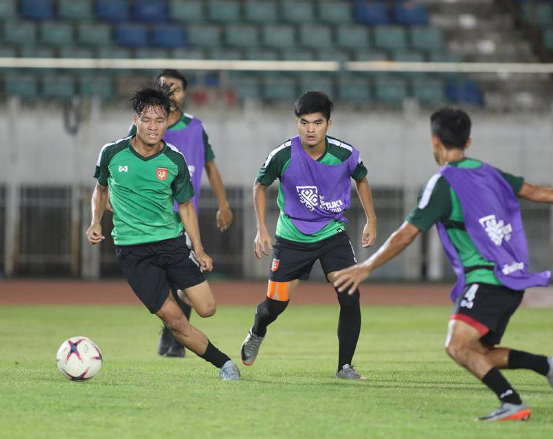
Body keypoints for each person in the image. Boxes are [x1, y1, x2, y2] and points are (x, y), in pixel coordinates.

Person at [334, 107, 553, 420]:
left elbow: (406, 235)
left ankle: (513, 402)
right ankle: (547, 366)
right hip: (510, 279)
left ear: (435, 141)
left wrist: (366, 266)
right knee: (478, 352)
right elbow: (535, 191)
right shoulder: (489, 172)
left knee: (457, 346)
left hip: (487, 278)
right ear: (469, 141)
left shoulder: (443, 183)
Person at [86, 84, 240, 381]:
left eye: (160, 120)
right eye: (146, 119)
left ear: (168, 122)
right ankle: (224, 364)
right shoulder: (112, 153)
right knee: (175, 321)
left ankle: (180, 288)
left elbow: (185, 207)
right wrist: (95, 221)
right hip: (133, 252)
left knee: (207, 309)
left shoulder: (174, 160)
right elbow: (100, 189)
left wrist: (199, 248)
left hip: (171, 245)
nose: (153, 126)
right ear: (135, 120)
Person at [239, 91, 378, 380]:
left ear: (329, 124)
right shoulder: (283, 155)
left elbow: (361, 179)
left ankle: (345, 367)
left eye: (317, 122)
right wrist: (261, 228)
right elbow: (259, 185)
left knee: (350, 295)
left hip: (332, 234)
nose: (310, 129)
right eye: (304, 123)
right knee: (274, 305)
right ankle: (257, 330)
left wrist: (371, 220)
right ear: (296, 123)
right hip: (291, 238)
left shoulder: (346, 153)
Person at [127, 69, 233, 358]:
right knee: (167, 279)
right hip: (149, 219)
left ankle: (174, 338)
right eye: (164, 87)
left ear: (185, 92)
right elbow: (123, 164)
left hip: (184, 215)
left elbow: (210, 166)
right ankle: (172, 333)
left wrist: (223, 205)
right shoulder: (145, 126)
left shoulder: (196, 128)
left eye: (175, 88)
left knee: (181, 277)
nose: (170, 92)